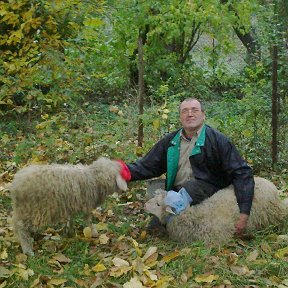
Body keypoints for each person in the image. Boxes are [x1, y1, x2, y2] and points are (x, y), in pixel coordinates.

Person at [125, 98, 255, 237]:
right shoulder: (171, 141)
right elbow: (147, 166)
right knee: (154, 230)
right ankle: (170, 212)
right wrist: (121, 171)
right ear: (180, 117)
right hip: (176, 193)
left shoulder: (218, 140)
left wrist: (244, 212)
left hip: (208, 189)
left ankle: (172, 211)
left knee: (191, 187)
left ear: (203, 115)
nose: (190, 114)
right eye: (185, 111)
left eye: (194, 110)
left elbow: (242, 172)